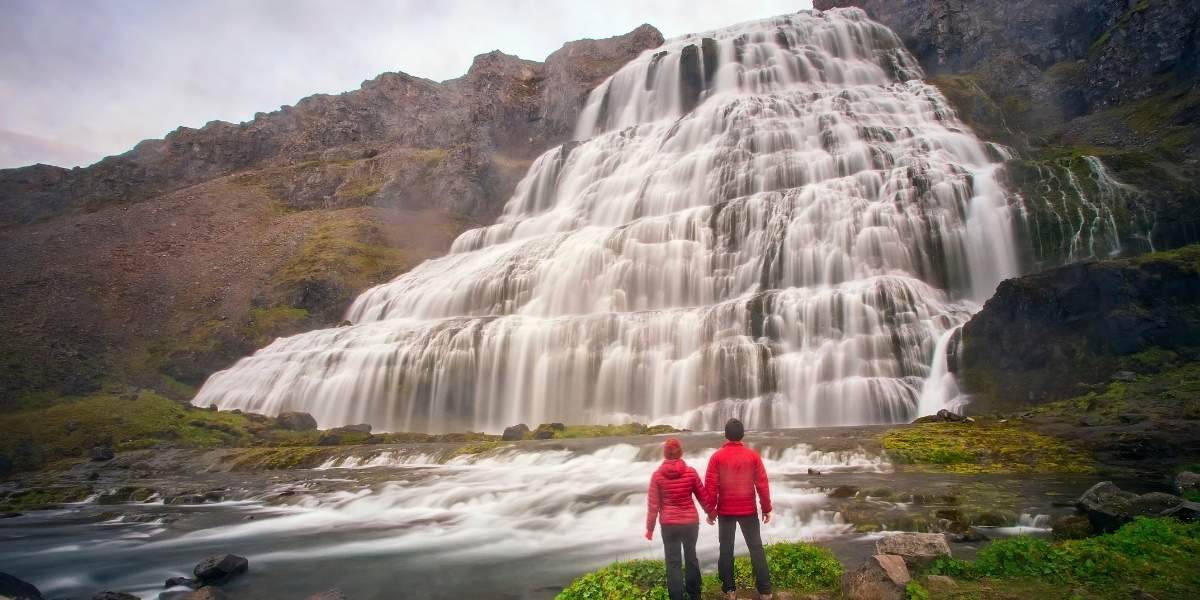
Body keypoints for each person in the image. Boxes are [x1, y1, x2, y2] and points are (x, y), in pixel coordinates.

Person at [705, 418, 772, 600]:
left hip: (725, 511)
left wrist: (710, 511)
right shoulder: (752, 456)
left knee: (726, 550)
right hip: (748, 510)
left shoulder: (716, 457)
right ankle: (765, 591)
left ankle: (729, 590)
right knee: (756, 548)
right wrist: (766, 508)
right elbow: (762, 485)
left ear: (726, 435)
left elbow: (711, 487)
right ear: (742, 435)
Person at [645, 437, 711, 600]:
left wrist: (649, 528)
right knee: (691, 557)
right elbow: (702, 495)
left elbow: (653, 505)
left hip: (669, 525)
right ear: (680, 452)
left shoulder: (657, 476)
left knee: (673, 562)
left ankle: (676, 597)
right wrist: (711, 513)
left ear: (665, 454)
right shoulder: (690, 472)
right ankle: (695, 595)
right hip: (690, 523)